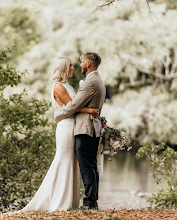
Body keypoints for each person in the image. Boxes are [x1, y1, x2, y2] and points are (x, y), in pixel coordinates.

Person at [9, 57, 99, 213]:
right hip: (66, 126)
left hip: (73, 125)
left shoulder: (67, 85)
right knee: (64, 160)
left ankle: (70, 201)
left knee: (72, 161)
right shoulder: (58, 87)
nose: (73, 68)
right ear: (64, 68)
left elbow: (75, 104)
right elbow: (73, 107)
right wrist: (90, 110)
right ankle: (59, 201)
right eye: (70, 66)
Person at [54, 52, 106, 210]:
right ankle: (92, 201)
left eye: (82, 62)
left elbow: (74, 105)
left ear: (88, 64)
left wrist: (58, 114)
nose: (79, 65)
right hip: (89, 128)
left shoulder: (89, 83)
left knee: (86, 167)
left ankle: (90, 202)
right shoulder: (98, 81)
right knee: (90, 166)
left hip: (85, 129)